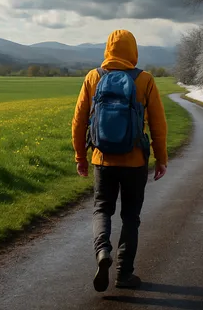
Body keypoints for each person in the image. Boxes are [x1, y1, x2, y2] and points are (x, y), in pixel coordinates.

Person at [72, 29, 168, 292]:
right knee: (130, 217)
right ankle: (124, 274)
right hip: (135, 161)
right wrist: (161, 158)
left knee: (102, 209)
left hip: (102, 159)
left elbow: (79, 120)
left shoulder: (94, 77)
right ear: (133, 50)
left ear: (108, 49)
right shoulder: (145, 79)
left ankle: (102, 250)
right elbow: (158, 124)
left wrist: (81, 155)